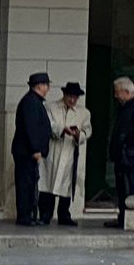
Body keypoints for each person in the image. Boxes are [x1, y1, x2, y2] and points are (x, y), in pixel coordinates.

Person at [39, 82, 92, 227]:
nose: (72, 100)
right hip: (53, 150)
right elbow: (48, 125)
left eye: (75, 97)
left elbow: (87, 131)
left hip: (70, 151)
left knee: (67, 185)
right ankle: (45, 214)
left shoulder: (84, 113)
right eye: (70, 96)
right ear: (64, 95)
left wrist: (77, 135)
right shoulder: (51, 107)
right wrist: (62, 129)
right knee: (48, 183)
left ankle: (64, 214)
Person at [10, 72, 52, 226]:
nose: (48, 88)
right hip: (26, 152)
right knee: (26, 184)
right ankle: (24, 216)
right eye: (46, 85)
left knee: (29, 183)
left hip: (27, 151)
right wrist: (35, 149)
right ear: (40, 86)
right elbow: (31, 128)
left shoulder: (34, 101)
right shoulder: (31, 102)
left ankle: (28, 214)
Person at [106, 77, 134, 231]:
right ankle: (123, 217)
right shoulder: (123, 108)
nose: (115, 96)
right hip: (123, 155)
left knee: (133, 187)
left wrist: (125, 142)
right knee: (122, 188)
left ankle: (133, 219)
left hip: (133, 155)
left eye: (118, 92)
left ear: (126, 92)